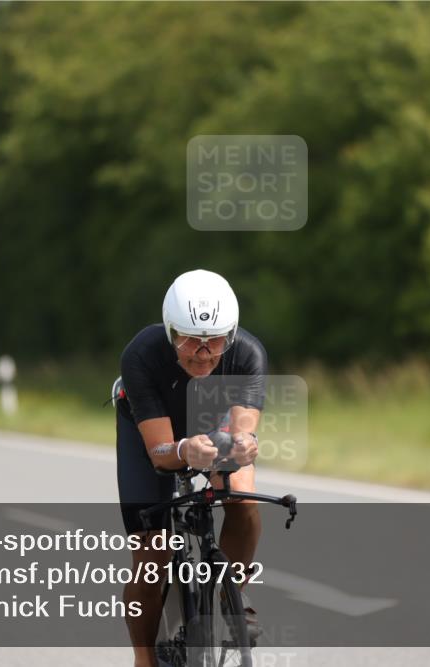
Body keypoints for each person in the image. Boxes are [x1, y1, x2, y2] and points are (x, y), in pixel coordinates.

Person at [114, 269, 266, 667]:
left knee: (242, 500)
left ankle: (230, 595)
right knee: (152, 555)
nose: (202, 353)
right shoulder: (141, 354)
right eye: (189, 341)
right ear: (169, 331)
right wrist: (183, 450)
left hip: (212, 423)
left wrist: (240, 445)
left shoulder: (247, 354)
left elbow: (242, 431)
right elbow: (160, 451)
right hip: (151, 428)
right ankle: (144, 659)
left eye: (215, 341)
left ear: (230, 335)